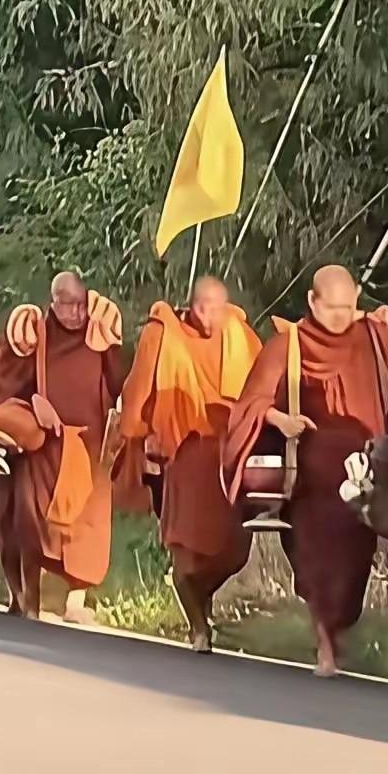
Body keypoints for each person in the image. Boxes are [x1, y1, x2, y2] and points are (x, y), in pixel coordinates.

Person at [223, 265, 388, 676]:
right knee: (315, 562)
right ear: (312, 302)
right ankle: (324, 645)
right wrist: (280, 420)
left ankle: (337, 631)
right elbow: (250, 404)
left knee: (355, 565)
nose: (342, 316)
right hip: (313, 480)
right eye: (332, 307)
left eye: (349, 307)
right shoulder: (289, 345)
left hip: (364, 478)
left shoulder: (377, 341)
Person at [0, 272, 125, 621]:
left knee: (86, 523)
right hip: (42, 447)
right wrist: (34, 399)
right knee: (31, 520)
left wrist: (111, 346)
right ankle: (29, 598)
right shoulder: (33, 331)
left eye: (82, 305)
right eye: (69, 306)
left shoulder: (97, 333)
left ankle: (76, 602)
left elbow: (117, 383)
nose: (78, 314)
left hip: (87, 444)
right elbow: (5, 382)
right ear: (54, 302)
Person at [120, 276, 262, 651]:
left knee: (234, 551)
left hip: (230, 456)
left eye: (216, 308)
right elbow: (138, 391)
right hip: (184, 455)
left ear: (226, 306)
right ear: (189, 304)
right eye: (201, 307)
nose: (208, 316)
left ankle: (202, 602)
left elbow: (264, 386)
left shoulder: (240, 336)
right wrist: (139, 432)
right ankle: (199, 627)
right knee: (186, 550)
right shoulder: (164, 333)